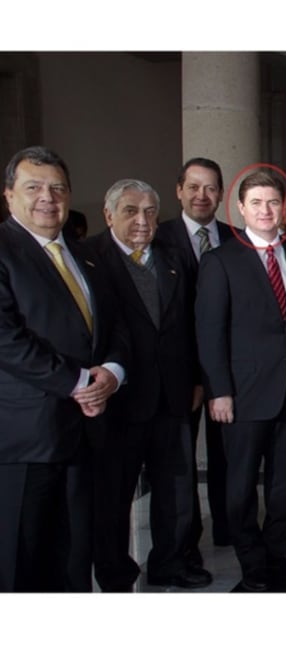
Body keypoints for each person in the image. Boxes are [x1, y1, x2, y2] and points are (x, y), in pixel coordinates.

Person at [0, 146, 127, 592]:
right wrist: (78, 383)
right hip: (26, 437)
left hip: (85, 434)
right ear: (9, 194)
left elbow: (113, 325)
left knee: (73, 554)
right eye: (33, 187)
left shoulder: (84, 254)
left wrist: (112, 372)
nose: (47, 198)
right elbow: (6, 340)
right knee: (22, 559)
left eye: (57, 188)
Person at [195, 169, 286, 592]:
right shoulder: (220, 261)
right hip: (243, 395)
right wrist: (220, 391)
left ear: (284, 208)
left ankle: (280, 548)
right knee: (241, 486)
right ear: (241, 209)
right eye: (256, 203)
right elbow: (209, 331)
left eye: (272, 202)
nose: (266, 210)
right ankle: (251, 560)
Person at [86, 179, 210, 591]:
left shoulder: (173, 259)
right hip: (119, 399)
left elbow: (190, 327)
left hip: (173, 394)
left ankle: (169, 564)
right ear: (109, 216)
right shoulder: (90, 259)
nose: (142, 220)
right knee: (113, 494)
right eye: (130, 211)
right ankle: (115, 572)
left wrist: (195, 378)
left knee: (176, 488)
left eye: (150, 212)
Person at [156, 157, 233, 553]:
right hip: (179, 372)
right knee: (180, 463)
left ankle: (228, 528)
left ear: (221, 193)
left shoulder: (236, 237)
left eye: (211, 188)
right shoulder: (157, 237)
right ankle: (182, 546)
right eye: (194, 187)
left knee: (228, 456)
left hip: (228, 371)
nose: (202, 196)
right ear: (179, 190)